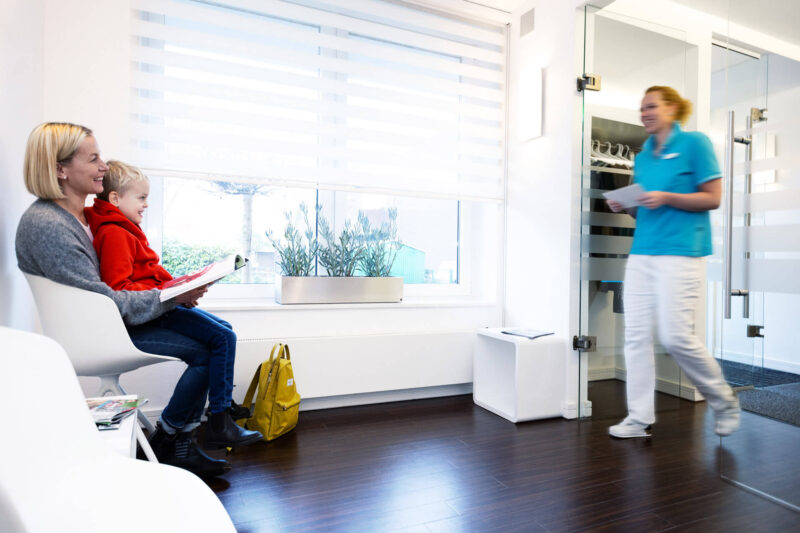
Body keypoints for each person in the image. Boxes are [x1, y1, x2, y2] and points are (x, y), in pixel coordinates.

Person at [16, 123, 235, 477]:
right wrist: (170, 298)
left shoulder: (81, 216)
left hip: (109, 323)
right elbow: (105, 299)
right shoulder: (48, 225)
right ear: (60, 169)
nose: (104, 166)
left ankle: (173, 437)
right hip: (99, 333)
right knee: (208, 348)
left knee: (216, 337)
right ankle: (172, 440)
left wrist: (173, 290)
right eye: (94, 158)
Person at [84, 159, 261, 451]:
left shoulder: (122, 227)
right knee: (223, 337)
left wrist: (179, 286)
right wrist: (167, 292)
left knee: (224, 330)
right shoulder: (114, 232)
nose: (146, 205)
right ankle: (220, 417)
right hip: (148, 316)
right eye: (141, 198)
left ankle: (210, 416)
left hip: (158, 306)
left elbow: (142, 274)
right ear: (115, 199)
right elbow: (120, 290)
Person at [606, 86, 740, 439]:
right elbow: (644, 211)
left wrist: (665, 196)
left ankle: (723, 400)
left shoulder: (695, 143)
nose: (644, 112)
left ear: (672, 109)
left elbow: (712, 199)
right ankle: (638, 418)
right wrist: (627, 205)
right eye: (642, 107)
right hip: (642, 253)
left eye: (651, 106)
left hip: (681, 253)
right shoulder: (643, 156)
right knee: (634, 336)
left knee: (676, 336)